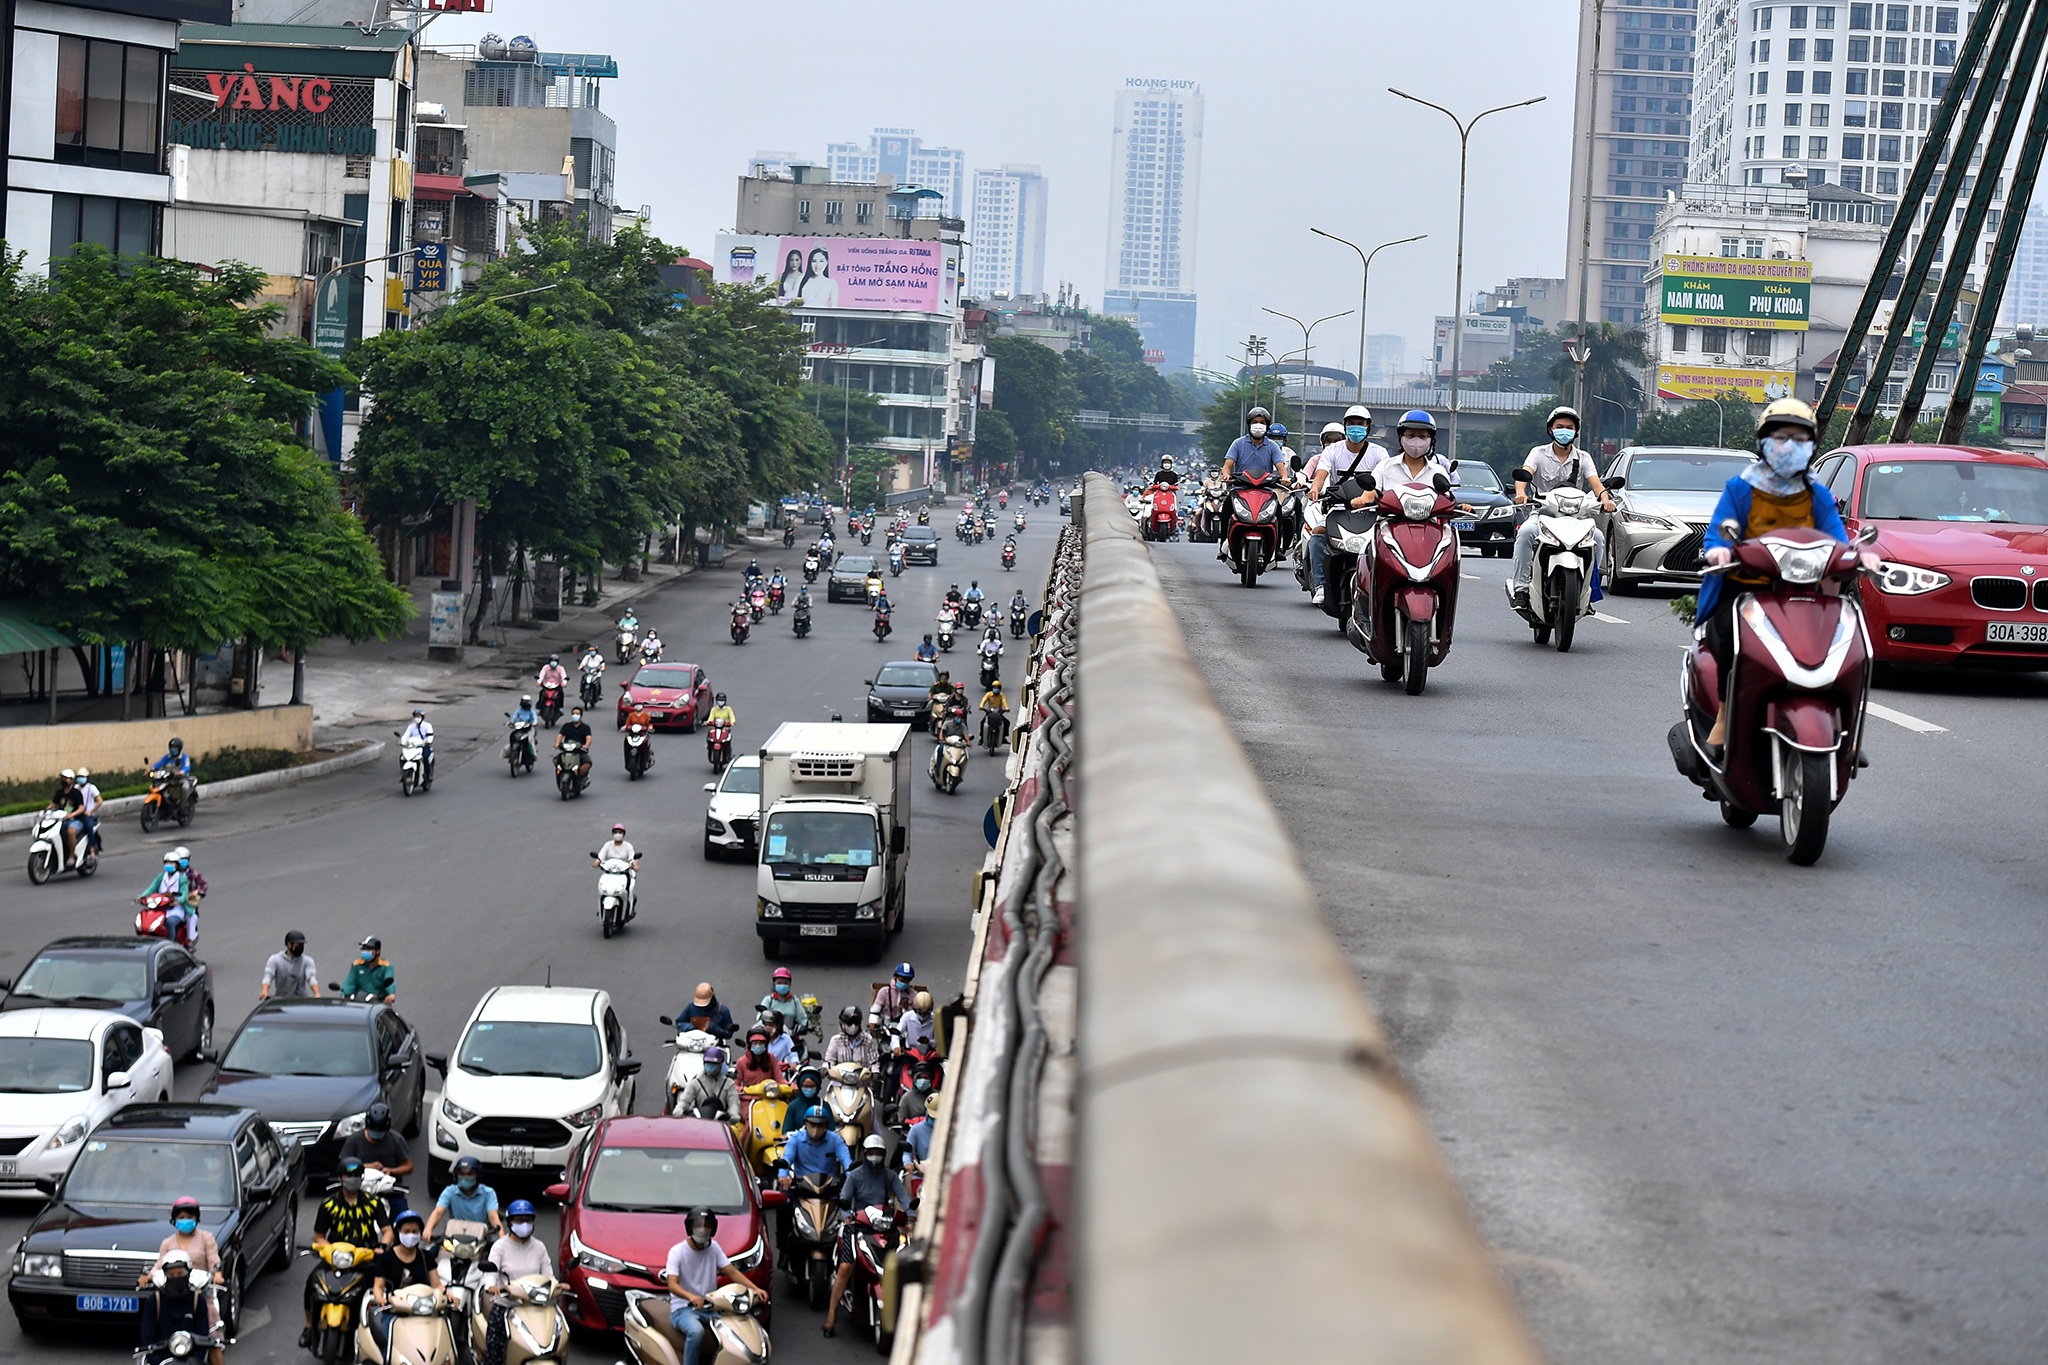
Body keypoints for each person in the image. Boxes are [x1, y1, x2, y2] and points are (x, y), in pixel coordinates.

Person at [1697, 398, 1872, 756]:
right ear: (1763, 441)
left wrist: (1859, 555)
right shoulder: (1741, 488)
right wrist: (1719, 549)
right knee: (1730, 638)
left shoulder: (1816, 494)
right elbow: (1718, 531)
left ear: (1810, 446)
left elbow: (1838, 540)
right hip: (1747, 589)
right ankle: (1725, 715)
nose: (1788, 445)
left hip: (1807, 593)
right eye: (1780, 436)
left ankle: (1848, 728)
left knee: (1854, 643)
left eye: (1798, 437)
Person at [1510, 405, 1616, 613]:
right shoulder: (1538, 453)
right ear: (1550, 429)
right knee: (1525, 533)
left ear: (1576, 431)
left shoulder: (1583, 457)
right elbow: (1524, 474)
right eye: (1560, 426)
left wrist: (1605, 499)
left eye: (1569, 427)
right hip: (1543, 514)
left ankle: (1588, 591)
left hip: (1575, 517)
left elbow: (1595, 484)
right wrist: (1521, 493)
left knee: (1598, 538)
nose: (1564, 430)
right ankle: (1521, 589)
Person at [820, 1136, 912, 1337]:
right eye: (871, 1153)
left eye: (879, 1153)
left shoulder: (889, 1176)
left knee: (905, 1258)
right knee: (846, 1266)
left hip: (884, 1226)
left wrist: (910, 1214)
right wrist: (846, 1216)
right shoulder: (854, 1176)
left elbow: (903, 1197)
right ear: (864, 1153)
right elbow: (845, 1198)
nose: (875, 1157)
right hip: (857, 1225)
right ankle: (832, 1314)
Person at [303, 1157, 391, 1347]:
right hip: (337, 1257)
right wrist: (329, 1250)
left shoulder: (373, 1203)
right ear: (340, 1178)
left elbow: (387, 1231)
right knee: (311, 1284)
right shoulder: (328, 1205)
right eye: (349, 1176)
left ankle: (379, 1330)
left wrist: (382, 1247)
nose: (353, 1179)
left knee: (384, 1288)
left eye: (357, 1176)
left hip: (366, 1256)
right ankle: (310, 1327)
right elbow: (319, 1236)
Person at [663, 1208, 764, 1365]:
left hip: (711, 1307)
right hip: (683, 1308)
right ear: (690, 1227)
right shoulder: (677, 1252)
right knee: (696, 1332)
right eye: (698, 1225)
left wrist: (755, 1289)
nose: (702, 1229)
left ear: (713, 1228)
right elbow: (672, 1284)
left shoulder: (714, 1248)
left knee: (734, 1329)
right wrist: (691, 1297)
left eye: (707, 1225)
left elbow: (731, 1271)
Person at [476, 1201, 552, 1365]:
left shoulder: (539, 1247)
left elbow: (548, 1276)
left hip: (534, 1305)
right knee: (495, 1352)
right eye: (519, 1220)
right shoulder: (500, 1247)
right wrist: (491, 1286)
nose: (524, 1224)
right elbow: (491, 1272)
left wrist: (557, 1286)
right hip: (506, 1306)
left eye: (527, 1220)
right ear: (510, 1223)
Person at [366, 1208, 443, 1356]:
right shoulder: (386, 1258)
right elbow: (378, 1287)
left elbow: (437, 1284)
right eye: (407, 1231)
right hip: (394, 1312)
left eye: (415, 1231)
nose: (411, 1235)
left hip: (422, 1310)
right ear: (398, 1232)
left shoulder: (425, 1257)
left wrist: (447, 1294)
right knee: (391, 1345)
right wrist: (380, 1298)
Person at [140, 1251, 220, 1363]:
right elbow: (148, 1337)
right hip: (161, 1359)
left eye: (180, 1274)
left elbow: (202, 1336)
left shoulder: (197, 1301)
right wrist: (160, 1362)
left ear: (188, 1273)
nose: (175, 1277)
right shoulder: (154, 1301)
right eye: (171, 1274)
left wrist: (195, 1361)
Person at [339, 1100, 414, 1206]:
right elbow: (343, 1166)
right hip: (360, 1190)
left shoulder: (396, 1140)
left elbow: (408, 1166)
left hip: (390, 1191)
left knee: (404, 1217)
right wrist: (367, 1167)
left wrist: (391, 1171)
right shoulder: (354, 1140)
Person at [425, 1154, 501, 1241]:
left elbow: (493, 1216)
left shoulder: (488, 1193)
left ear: (478, 1176)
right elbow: (438, 1212)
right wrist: (428, 1229)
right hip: (455, 1236)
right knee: (432, 1252)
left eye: (470, 1174)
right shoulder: (450, 1191)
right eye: (462, 1174)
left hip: (481, 1238)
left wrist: (502, 1239)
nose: (465, 1177)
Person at [141, 851, 199, 946]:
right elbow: (151, 889)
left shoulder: (181, 879)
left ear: (177, 865)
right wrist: (141, 897)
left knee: (170, 923)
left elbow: (184, 894)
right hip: (160, 907)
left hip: (175, 909)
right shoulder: (161, 877)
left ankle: (171, 945)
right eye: (167, 863)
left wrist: (178, 901)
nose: (169, 865)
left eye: (172, 863)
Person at [674, 1046, 741, 1121]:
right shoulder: (695, 1083)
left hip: (721, 1122)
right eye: (708, 1063)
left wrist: (733, 1115)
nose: (710, 1067)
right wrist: (679, 1110)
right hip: (699, 1120)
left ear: (721, 1065)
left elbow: (733, 1104)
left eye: (714, 1064)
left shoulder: (729, 1084)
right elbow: (685, 1101)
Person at [260, 930, 320, 1000]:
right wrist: (265, 991)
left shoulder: (307, 961)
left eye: (302, 945)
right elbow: (268, 976)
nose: (300, 947)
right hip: (281, 999)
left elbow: (311, 978)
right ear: (289, 945)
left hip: (301, 1000)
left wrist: (317, 994)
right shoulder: (275, 959)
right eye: (297, 945)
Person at [339, 936, 397, 1004]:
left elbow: (389, 983)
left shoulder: (386, 966)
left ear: (377, 951)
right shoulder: (356, 965)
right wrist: (344, 995)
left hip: (379, 1004)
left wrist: (391, 995)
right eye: (364, 949)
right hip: (360, 1002)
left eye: (369, 949)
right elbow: (349, 983)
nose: (365, 952)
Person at [733, 1023, 786, 1093]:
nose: (758, 1046)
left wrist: (791, 1086)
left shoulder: (771, 1058)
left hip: (769, 1097)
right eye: (755, 1043)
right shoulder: (741, 1062)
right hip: (748, 1098)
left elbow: (780, 1079)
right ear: (750, 1045)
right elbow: (735, 1084)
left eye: (761, 1043)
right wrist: (743, 1090)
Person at [759, 967, 805, 1044]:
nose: (782, 985)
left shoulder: (794, 1001)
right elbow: (760, 1018)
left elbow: (802, 1018)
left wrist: (806, 1026)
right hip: (771, 1039)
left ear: (790, 984)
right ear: (774, 984)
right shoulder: (769, 1000)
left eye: (785, 983)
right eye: (779, 983)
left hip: (791, 1039)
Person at [825, 1004, 879, 1069]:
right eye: (849, 1023)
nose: (853, 1026)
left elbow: (874, 1061)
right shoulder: (835, 1041)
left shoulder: (867, 1039)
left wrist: (875, 1072)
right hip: (840, 1077)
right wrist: (825, 1068)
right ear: (842, 1024)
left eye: (856, 1023)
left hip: (862, 1077)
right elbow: (829, 1061)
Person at [555, 706, 594, 781]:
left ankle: (580, 777)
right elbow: (560, 735)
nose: (575, 715)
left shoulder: (585, 727)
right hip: (567, 751)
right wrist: (557, 743)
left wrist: (586, 745)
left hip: (579, 751)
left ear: (581, 716)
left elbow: (588, 737)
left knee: (587, 763)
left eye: (577, 714)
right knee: (556, 760)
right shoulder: (567, 726)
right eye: (573, 714)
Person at [401, 708, 435, 787]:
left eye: (419, 716)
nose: (417, 718)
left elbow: (430, 736)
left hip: (423, 746)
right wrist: (401, 741)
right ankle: (403, 774)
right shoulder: (411, 727)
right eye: (416, 716)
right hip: (413, 746)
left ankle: (428, 775)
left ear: (422, 717)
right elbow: (406, 735)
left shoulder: (427, 726)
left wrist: (427, 742)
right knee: (402, 757)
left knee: (425, 757)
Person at [73, 767, 103, 853]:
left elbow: (100, 801)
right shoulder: (75, 788)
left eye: (82, 777)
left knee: (89, 827)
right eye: (79, 777)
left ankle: (92, 849)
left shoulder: (91, 788)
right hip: (76, 813)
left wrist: (91, 812)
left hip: (86, 814)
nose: (80, 779)